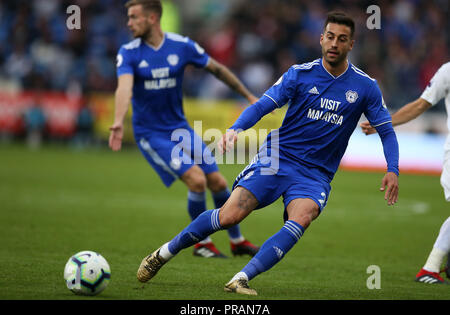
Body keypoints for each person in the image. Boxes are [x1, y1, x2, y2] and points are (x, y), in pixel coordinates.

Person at [136, 11, 400, 295]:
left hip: (315, 174)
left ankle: (240, 278)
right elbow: (263, 106)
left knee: (303, 216)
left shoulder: (366, 87)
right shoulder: (299, 74)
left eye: (342, 39)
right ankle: (162, 254)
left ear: (351, 44)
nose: (335, 43)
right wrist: (237, 128)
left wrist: (392, 169)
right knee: (229, 217)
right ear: (322, 39)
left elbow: (386, 131)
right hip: (277, 158)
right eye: (331, 37)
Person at [109, 0, 260, 258]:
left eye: (134, 17)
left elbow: (218, 69)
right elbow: (124, 87)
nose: (129, 22)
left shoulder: (182, 46)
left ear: (152, 18)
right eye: (129, 17)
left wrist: (248, 95)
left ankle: (237, 241)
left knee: (218, 181)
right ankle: (202, 244)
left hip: (180, 129)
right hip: (152, 135)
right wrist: (118, 121)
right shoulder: (129, 52)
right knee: (197, 180)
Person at [361, 62, 450, 284]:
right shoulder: (447, 71)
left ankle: (433, 267)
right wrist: (384, 123)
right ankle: (430, 268)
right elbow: (420, 105)